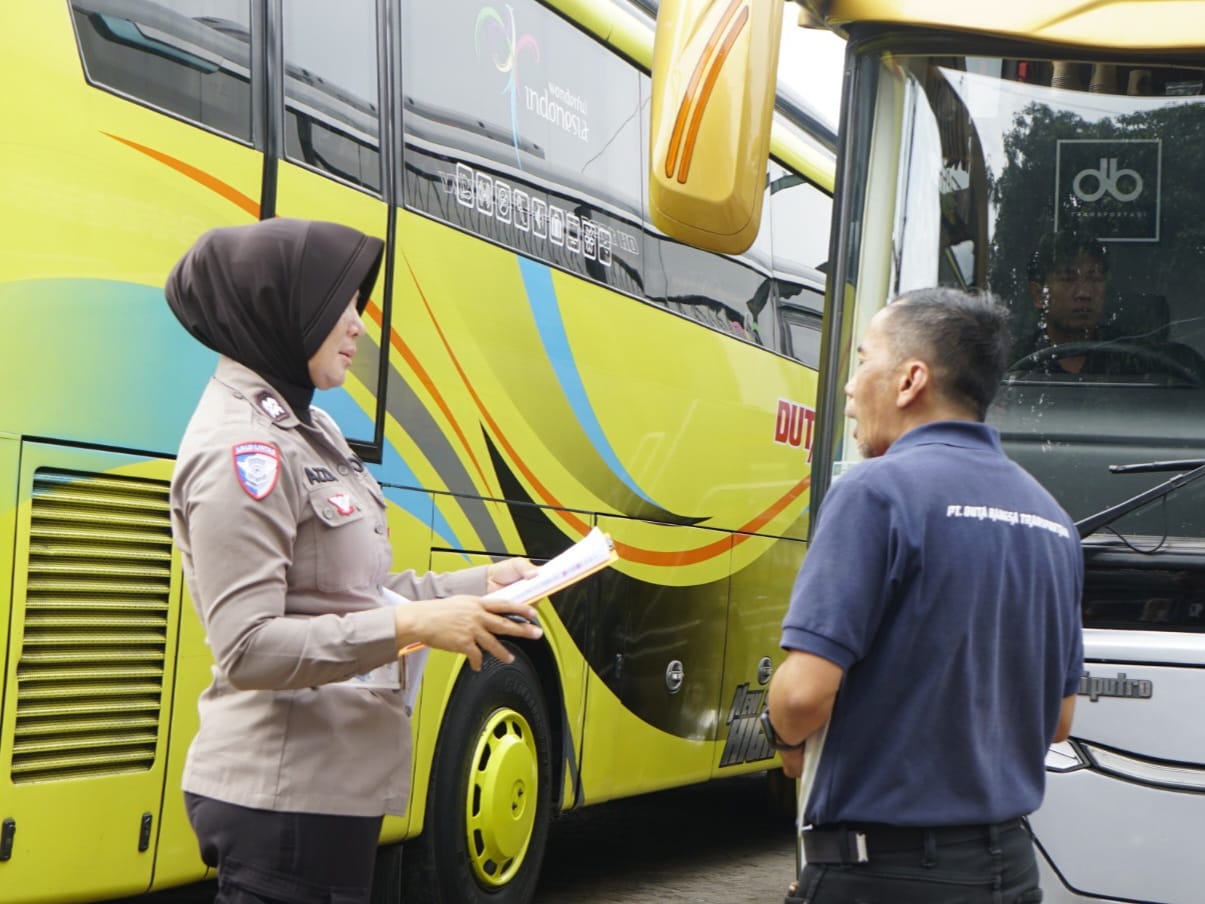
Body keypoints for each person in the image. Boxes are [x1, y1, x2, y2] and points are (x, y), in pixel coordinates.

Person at [164, 217, 545, 904]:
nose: (357, 328)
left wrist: (475, 585)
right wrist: (416, 627)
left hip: (326, 796)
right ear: (281, 307)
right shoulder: (241, 451)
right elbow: (248, 648)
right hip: (282, 806)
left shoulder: (309, 427)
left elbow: (351, 591)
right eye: (340, 307)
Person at [762, 288, 1084, 903]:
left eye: (862, 362)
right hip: (1011, 871)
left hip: (884, 874)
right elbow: (1059, 721)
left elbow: (802, 696)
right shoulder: (1052, 520)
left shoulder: (876, 494)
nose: (851, 390)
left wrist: (781, 737)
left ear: (910, 379)